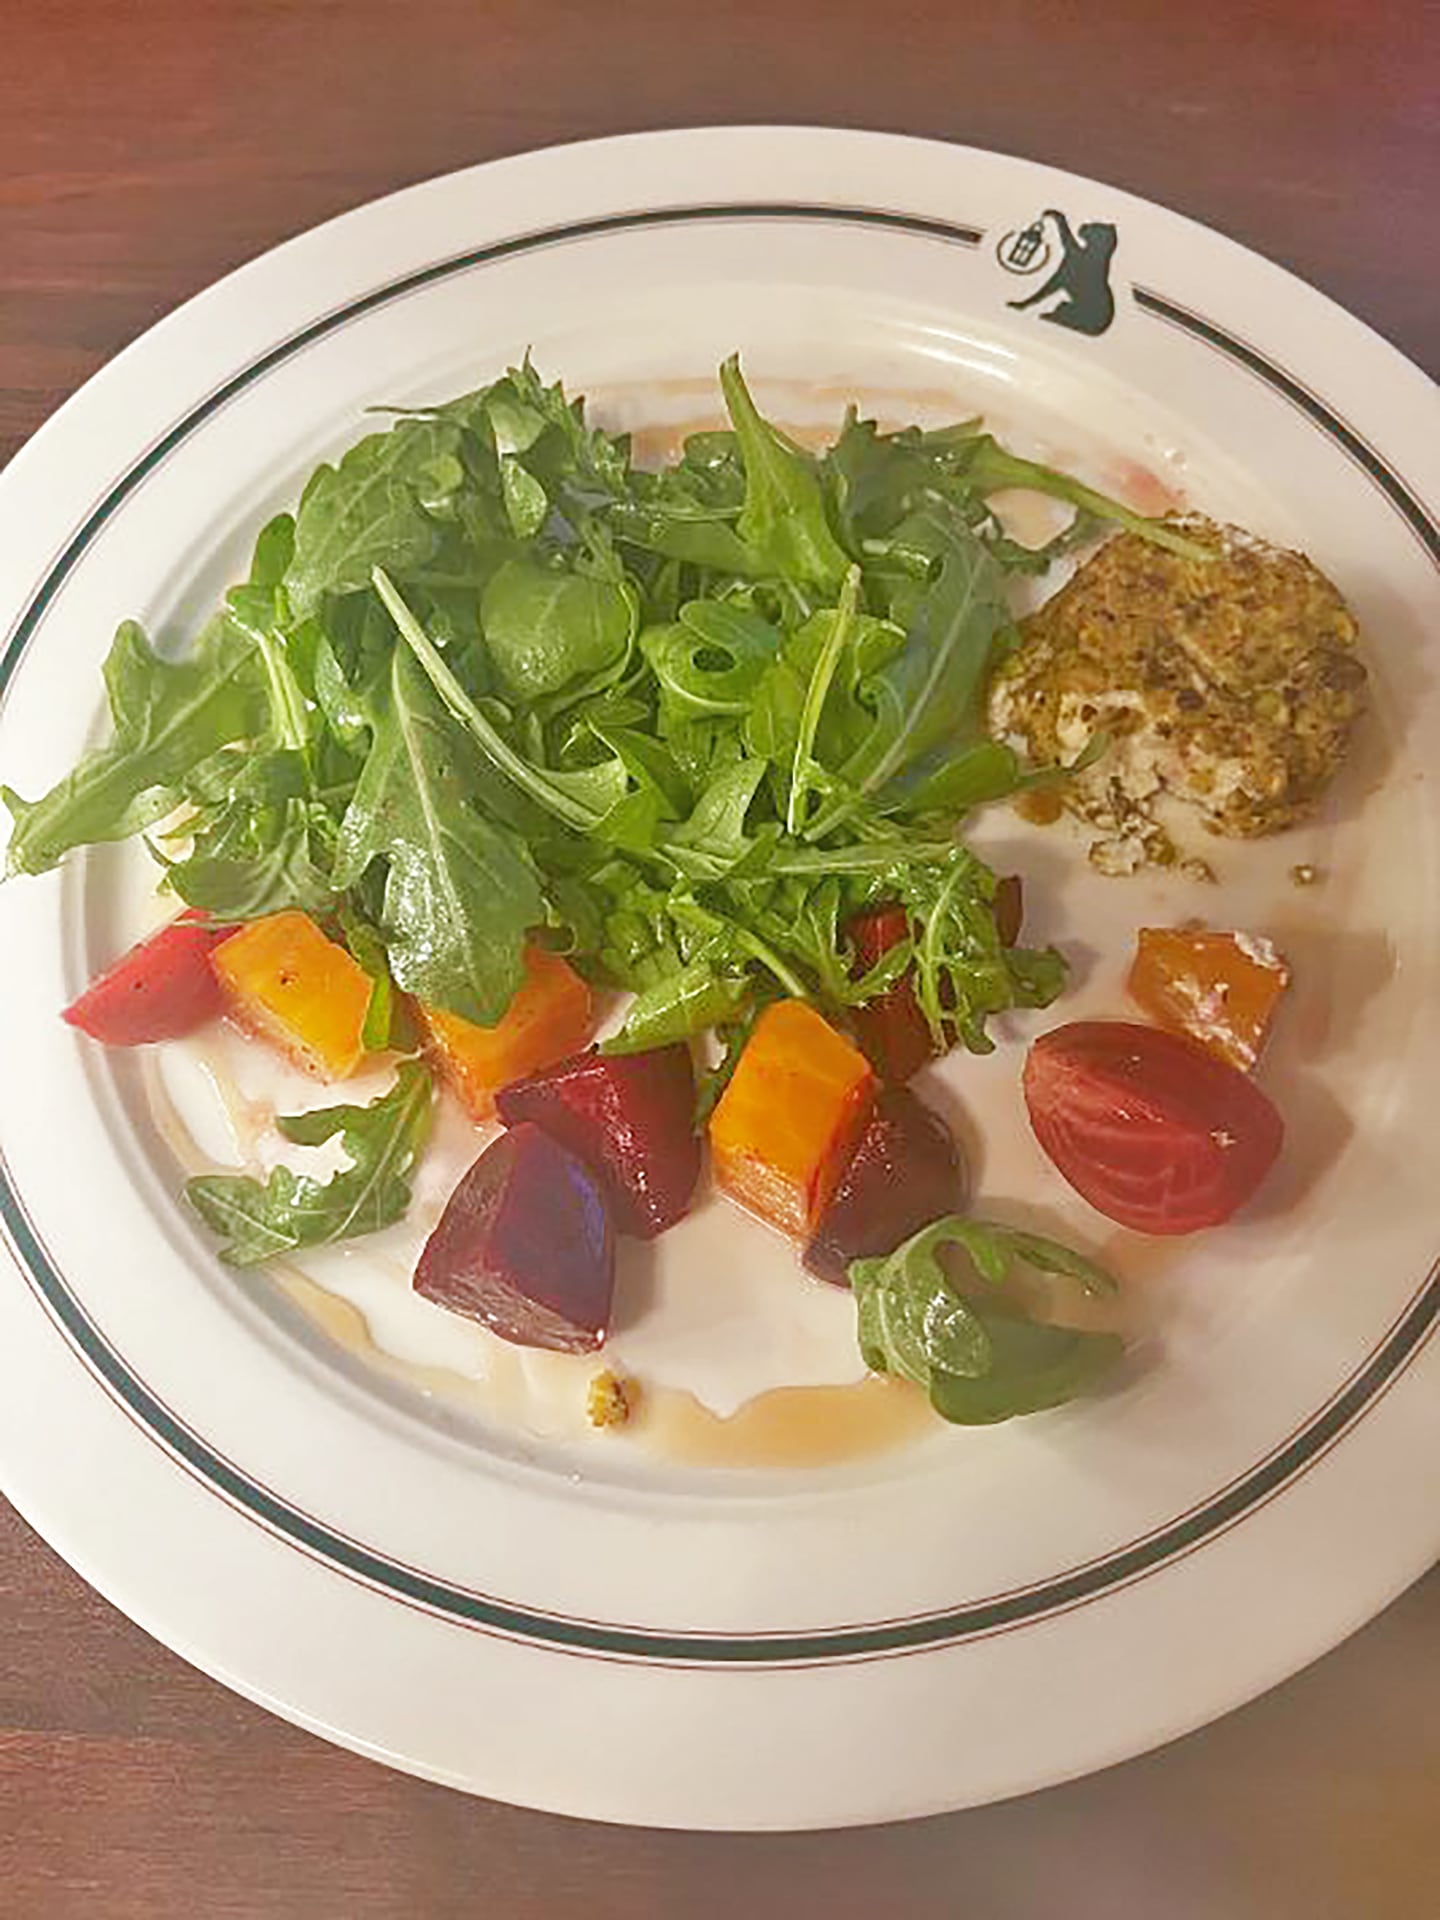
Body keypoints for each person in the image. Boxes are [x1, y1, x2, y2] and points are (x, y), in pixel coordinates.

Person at [1008, 211, 1118, 336]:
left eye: (1092, 228)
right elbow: (1068, 243)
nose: (1086, 227)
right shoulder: (1094, 261)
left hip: (1094, 319)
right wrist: (1060, 220)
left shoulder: (1080, 260)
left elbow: (1052, 285)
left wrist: (1025, 304)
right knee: (1060, 310)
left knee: (1060, 310)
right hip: (1100, 316)